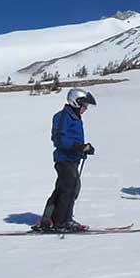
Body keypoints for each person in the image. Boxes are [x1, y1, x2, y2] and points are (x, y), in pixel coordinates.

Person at [34, 89, 97, 232]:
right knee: (70, 188)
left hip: (72, 159)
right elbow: (59, 139)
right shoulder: (63, 116)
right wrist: (78, 147)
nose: (85, 109)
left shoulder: (74, 117)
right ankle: (61, 222)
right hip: (64, 159)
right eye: (84, 105)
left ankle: (48, 219)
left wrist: (85, 148)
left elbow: (73, 139)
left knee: (65, 189)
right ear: (76, 102)